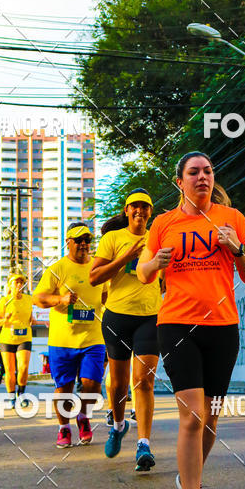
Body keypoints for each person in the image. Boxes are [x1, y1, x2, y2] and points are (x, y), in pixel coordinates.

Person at [137, 152, 245, 489]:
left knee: (211, 416)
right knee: (192, 415)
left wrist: (235, 248)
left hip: (223, 328)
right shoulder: (163, 223)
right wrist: (155, 262)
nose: (203, 177)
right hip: (176, 325)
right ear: (180, 182)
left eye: (208, 171)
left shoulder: (232, 218)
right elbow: (141, 273)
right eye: (194, 172)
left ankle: (191, 477)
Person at [90, 190, 161, 470]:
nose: (140, 211)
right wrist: (125, 257)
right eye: (135, 207)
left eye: (145, 207)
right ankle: (119, 426)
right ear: (127, 210)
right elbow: (95, 277)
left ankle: (144, 445)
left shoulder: (157, 238)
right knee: (118, 385)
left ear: (150, 212)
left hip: (150, 318)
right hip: (117, 317)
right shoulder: (113, 239)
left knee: (143, 381)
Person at [33, 223, 106, 448]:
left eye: (87, 239)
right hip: (62, 339)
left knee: (92, 383)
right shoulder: (57, 269)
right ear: (68, 242)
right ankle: (63, 427)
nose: (84, 244)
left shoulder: (98, 267)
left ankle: (83, 416)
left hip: (93, 338)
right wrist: (61, 300)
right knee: (64, 388)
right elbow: (38, 298)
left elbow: (105, 295)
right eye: (79, 240)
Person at [0, 274, 34, 412]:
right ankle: (11, 397)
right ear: (10, 285)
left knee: (23, 367)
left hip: (24, 337)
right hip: (7, 339)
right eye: (16, 282)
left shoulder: (29, 299)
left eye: (21, 282)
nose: (19, 285)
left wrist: (35, 321)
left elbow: (30, 318)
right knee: (10, 370)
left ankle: (21, 394)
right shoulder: (4, 300)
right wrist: (5, 320)